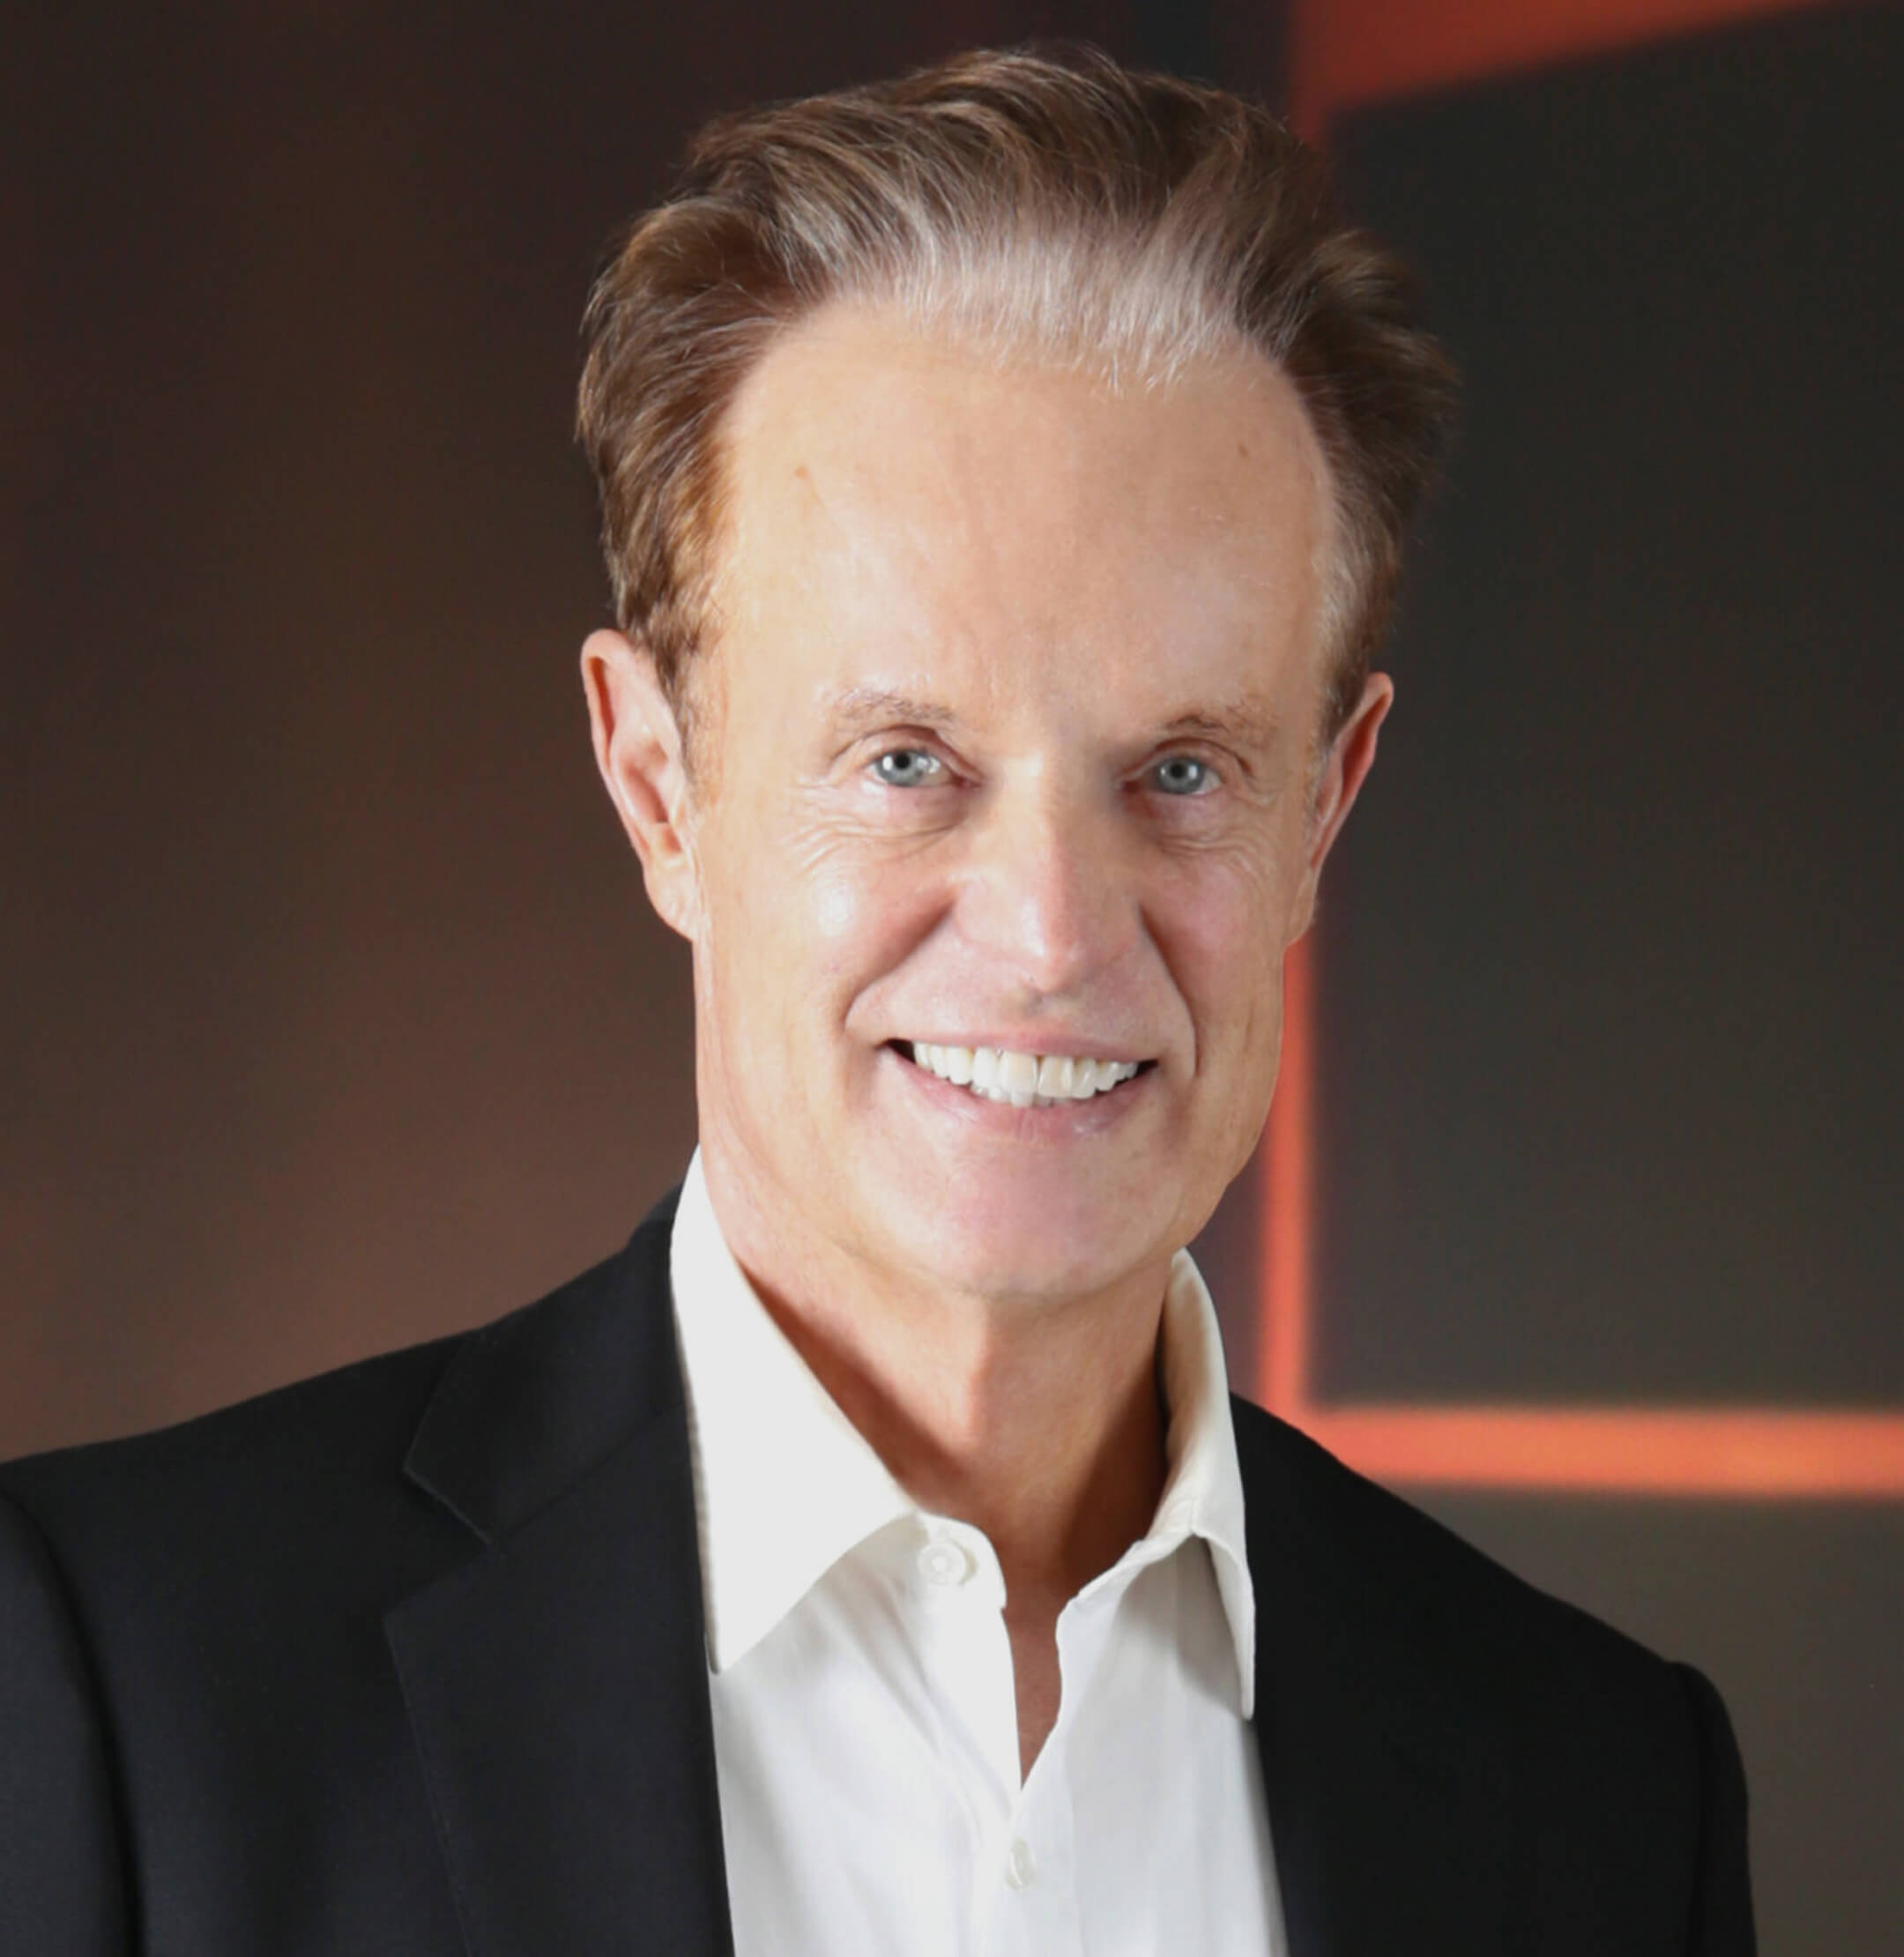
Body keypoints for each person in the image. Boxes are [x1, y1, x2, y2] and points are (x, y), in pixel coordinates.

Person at [0, 46, 1752, 1957]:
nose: (1052, 932)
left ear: (1324, 810)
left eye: (1180, 771)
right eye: (908, 759)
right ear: (659, 783)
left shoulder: (1605, 1791)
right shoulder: (115, 1690)